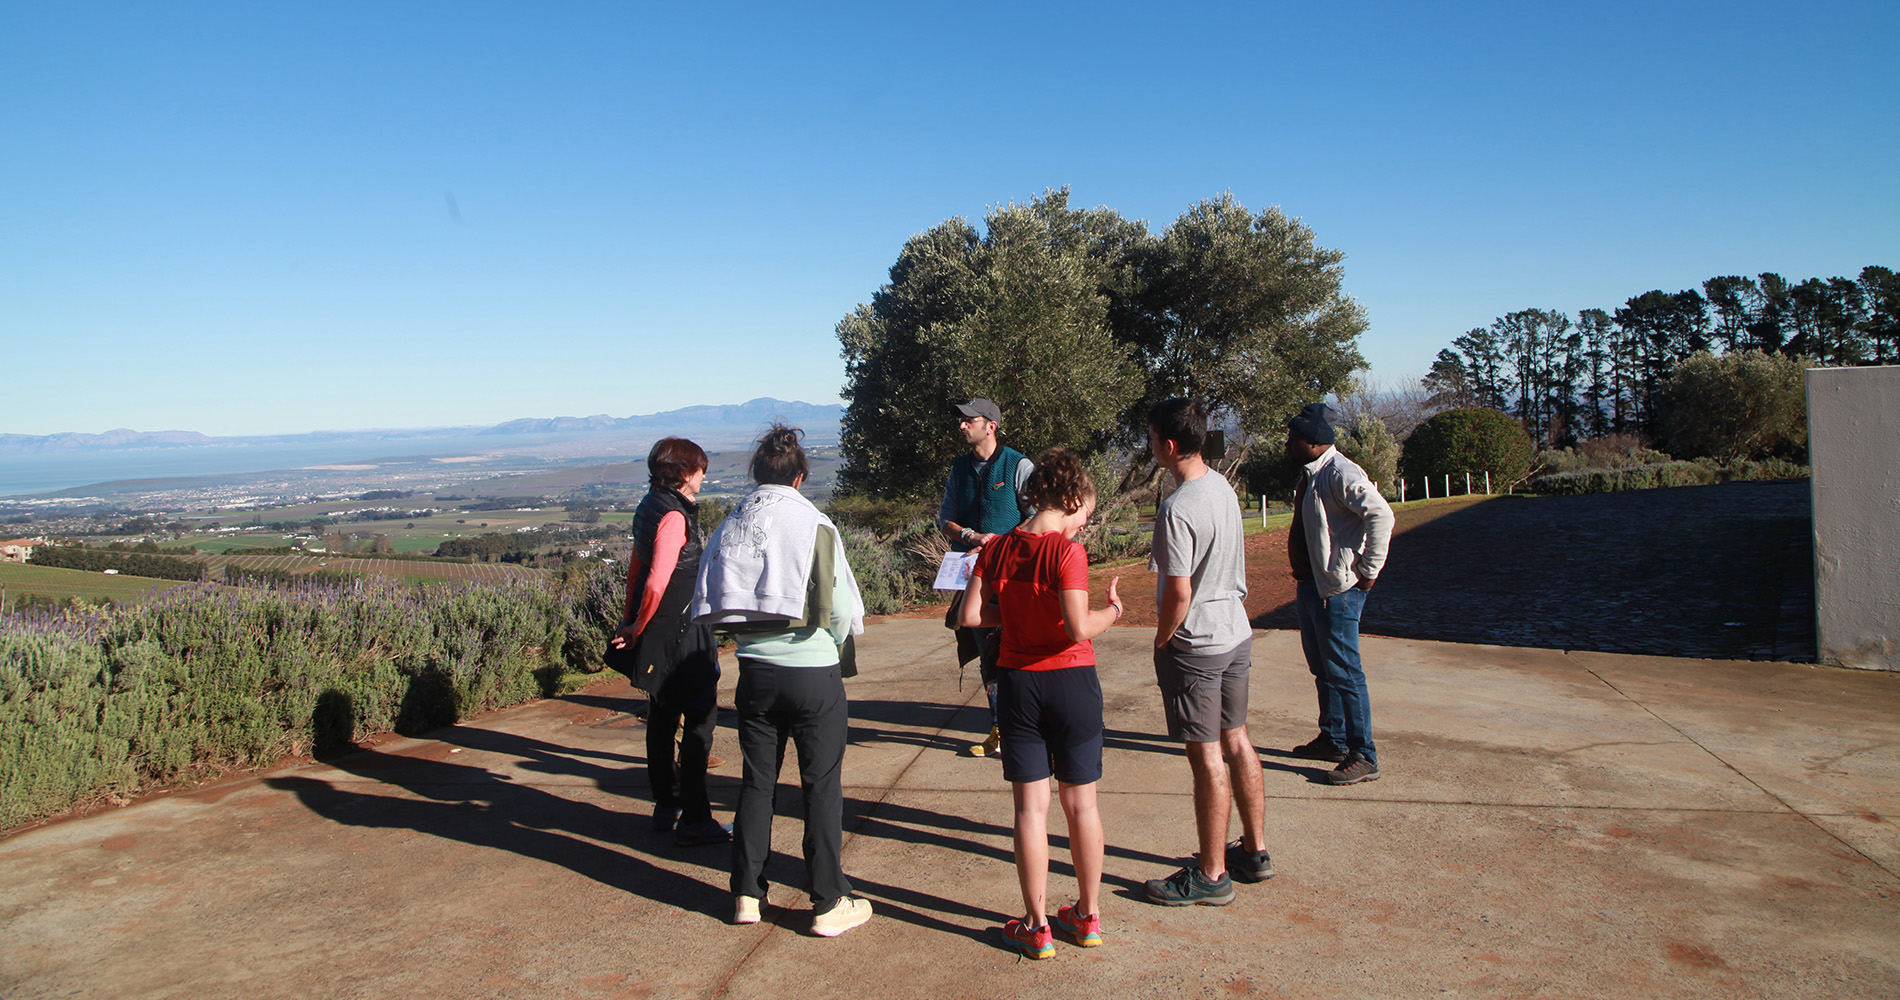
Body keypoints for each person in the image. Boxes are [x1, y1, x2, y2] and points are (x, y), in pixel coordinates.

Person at [692, 424, 873, 937]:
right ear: (799, 476)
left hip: (754, 673)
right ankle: (828, 901)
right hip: (813, 671)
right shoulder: (812, 522)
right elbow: (839, 610)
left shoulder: (733, 521)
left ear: (757, 473)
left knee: (756, 784)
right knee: (821, 787)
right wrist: (836, 647)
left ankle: (747, 893)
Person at [959, 447, 1119, 959]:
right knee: (1082, 804)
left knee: (1031, 810)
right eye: (1085, 515)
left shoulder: (998, 549)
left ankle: (1036, 926)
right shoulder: (1067, 554)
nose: (1083, 526)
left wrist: (1015, 620)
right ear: (1071, 498)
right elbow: (1077, 626)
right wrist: (1112, 612)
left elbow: (970, 616)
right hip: (1072, 682)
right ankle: (1087, 917)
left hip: (1018, 685)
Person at [1141, 398, 1272, 907]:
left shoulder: (1178, 508)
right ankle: (1254, 851)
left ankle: (1212, 874)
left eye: (1152, 439)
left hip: (1197, 645)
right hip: (1235, 633)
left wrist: (1161, 640)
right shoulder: (1222, 487)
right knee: (1237, 738)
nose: (1149, 446)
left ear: (1169, 446)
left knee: (1206, 756)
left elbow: (1178, 593)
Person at [609, 437, 730, 847]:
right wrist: (638, 623)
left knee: (661, 718)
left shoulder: (648, 505)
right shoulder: (676, 516)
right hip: (683, 633)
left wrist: (631, 621)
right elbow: (659, 579)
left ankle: (666, 807)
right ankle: (695, 817)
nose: (703, 476)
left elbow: (636, 570)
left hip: (658, 634)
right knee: (700, 722)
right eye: (699, 469)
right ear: (682, 472)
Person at [1283, 403, 1395, 785]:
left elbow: (1381, 515)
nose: (1288, 444)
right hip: (1312, 587)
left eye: (1294, 439)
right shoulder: (1313, 474)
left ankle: (1364, 754)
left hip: (1338, 591)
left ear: (1314, 443)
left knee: (1345, 672)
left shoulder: (1340, 473)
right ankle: (1333, 738)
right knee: (1324, 668)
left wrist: (1368, 569)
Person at [938, 398, 1035, 758]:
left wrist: (1004, 542)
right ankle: (999, 726)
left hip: (1015, 577)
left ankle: (1027, 726)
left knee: (1019, 649)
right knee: (986, 651)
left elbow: (1038, 513)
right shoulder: (958, 469)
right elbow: (944, 517)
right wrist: (970, 537)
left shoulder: (1017, 464)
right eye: (960, 420)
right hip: (973, 577)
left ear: (990, 425)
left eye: (969, 420)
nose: (962, 426)